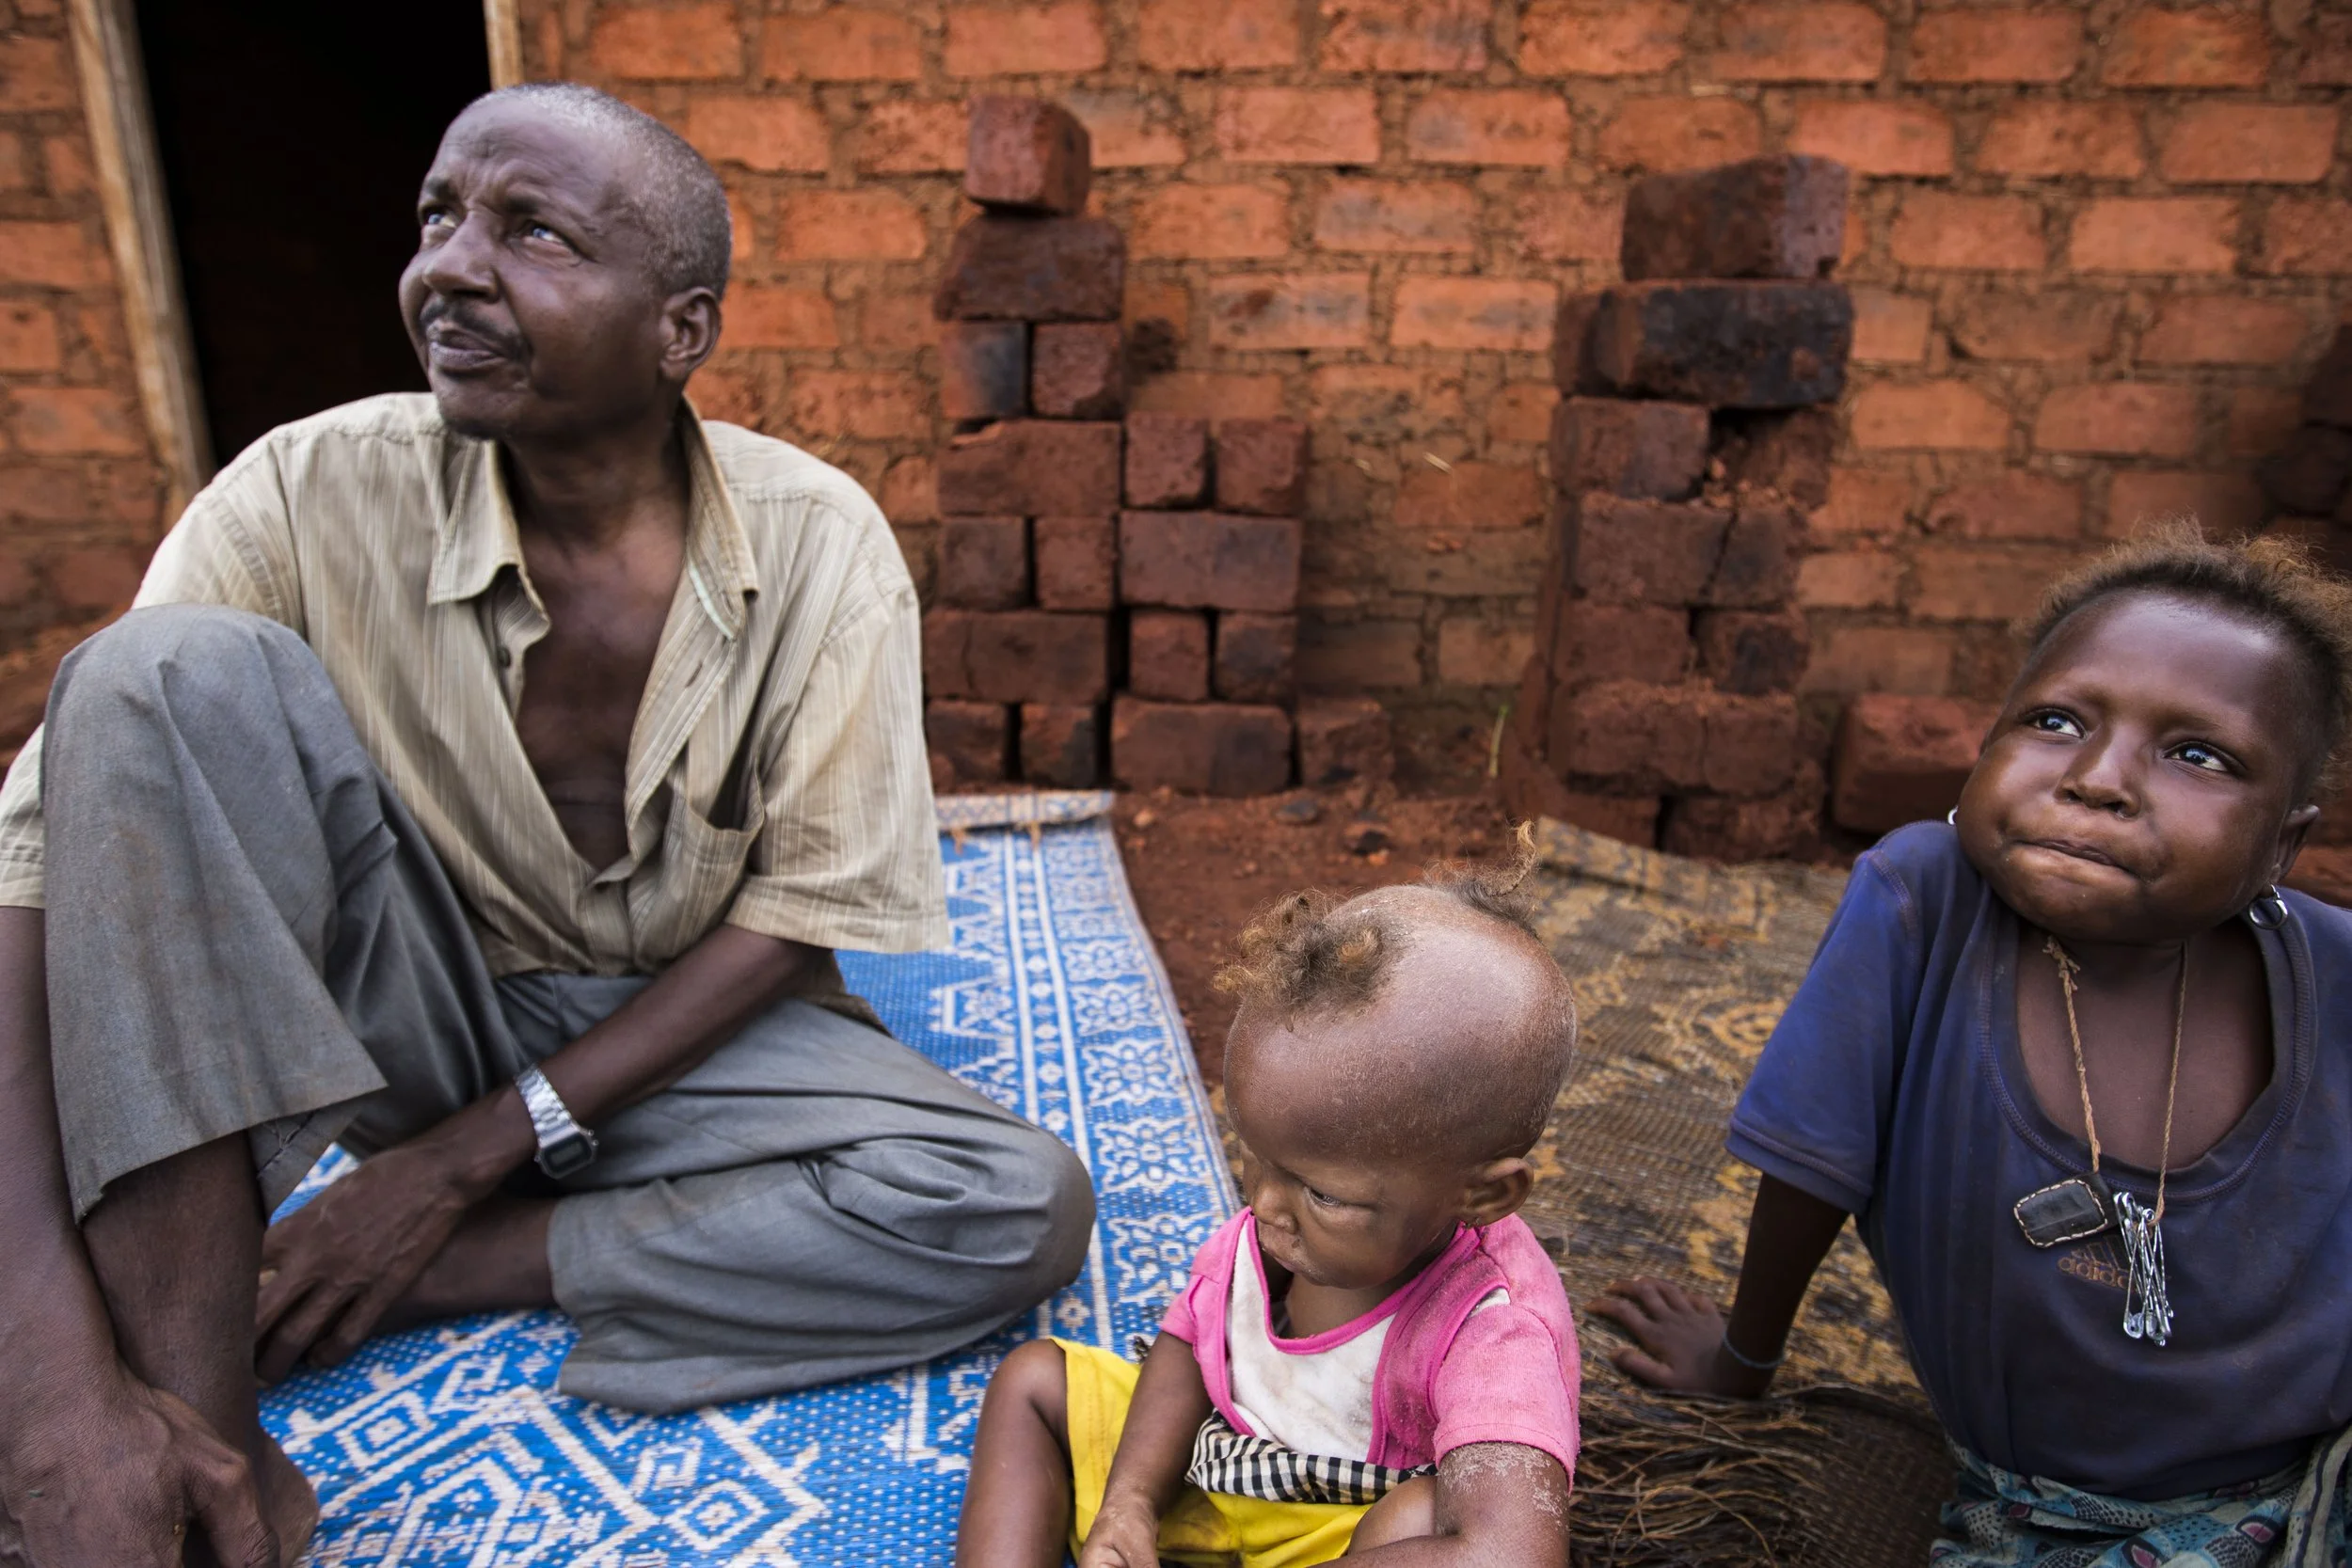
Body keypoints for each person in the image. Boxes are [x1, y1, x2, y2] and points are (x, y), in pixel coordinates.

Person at [0, 83, 1092, 1568]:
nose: (451, 265)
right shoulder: (304, 489)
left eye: (533, 232)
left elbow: (797, 914)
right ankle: (201, 1444)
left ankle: (448, 1263)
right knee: (156, 673)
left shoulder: (818, 539)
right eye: (440, 215)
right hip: (400, 993)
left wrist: (444, 1182)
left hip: (673, 1021)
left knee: (1009, 1202)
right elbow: (40, 879)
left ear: (680, 327)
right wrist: (52, 1385)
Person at [1597, 526, 2352, 1564]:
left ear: (2283, 841)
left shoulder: (2332, 972)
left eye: (2195, 754)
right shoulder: (1924, 901)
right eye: (2054, 720)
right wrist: (1742, 1358)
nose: (2096, 777)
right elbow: (1813, 1162)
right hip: (2050, 1509)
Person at [956, 861, 1582, 1568]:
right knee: (1035, 1382)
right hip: (1226, 1470)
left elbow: (1513, 1555)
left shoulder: (1493, 1328)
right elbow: (1194, 1341)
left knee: (1428, 1514)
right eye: (1253, 1154)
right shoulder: (1286, 1208)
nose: (1262, 1204)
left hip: (1341, 1537)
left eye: (1322, 1194)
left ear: (1482, 1196)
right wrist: (1131, 1498)